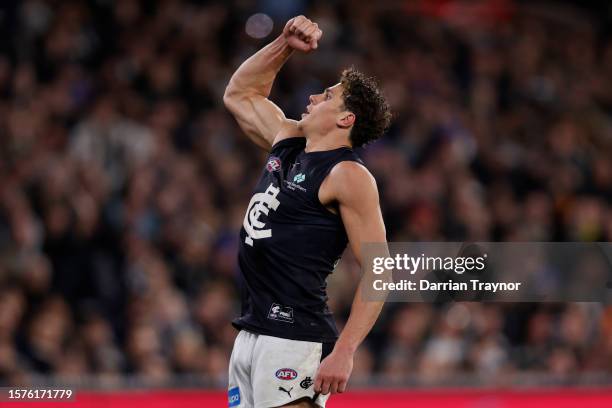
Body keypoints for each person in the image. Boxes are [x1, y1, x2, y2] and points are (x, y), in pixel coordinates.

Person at [223, 15, 391, 408]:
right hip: (252, 330)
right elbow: (239, 94)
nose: (313, 98)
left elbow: (381, 269)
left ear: (345, 119)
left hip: (294, 336)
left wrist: (345, 351)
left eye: (328, 96)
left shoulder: (348, 174)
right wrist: (283, 44)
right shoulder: (289, 140)